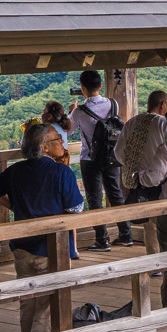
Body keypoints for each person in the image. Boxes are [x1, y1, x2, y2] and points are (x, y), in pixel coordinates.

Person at [0, 123, 84, 332]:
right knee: (46, 306)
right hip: (52, 248)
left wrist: (13, 206)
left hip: (22, 246)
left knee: (27, 301)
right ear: (44, 147)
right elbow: (75, 208)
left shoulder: (16, 170)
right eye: (57, 139)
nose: (62, 143)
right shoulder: (61, 172)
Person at [118, 90, 167, 306]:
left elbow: (119, 154)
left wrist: (138, 175)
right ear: (162, 105)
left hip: (162, 199)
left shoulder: (132, 123)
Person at [70, 69, 132, 251]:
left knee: (94, 198)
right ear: (100, 85)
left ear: (82, 88)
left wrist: (71, 111)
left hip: (90, 158)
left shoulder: (79, 112)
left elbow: (69, 130)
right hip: (112, 155)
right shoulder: (113, 104)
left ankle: (101, 240)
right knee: (116, 194)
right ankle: (126, 234)